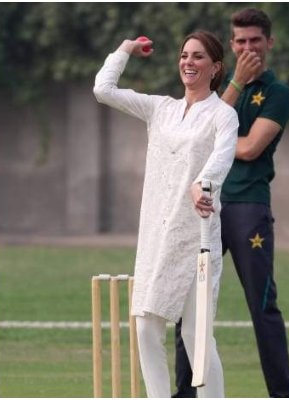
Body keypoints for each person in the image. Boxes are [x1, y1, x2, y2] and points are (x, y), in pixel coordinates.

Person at [94, 31, 239, 397]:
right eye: (184, 55)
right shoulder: (161, 108)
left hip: (197, 235)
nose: (188, 62)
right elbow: (103, 90)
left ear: (215, 68)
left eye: (198, 56)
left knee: (196, 336)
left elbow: (222, 157)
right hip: (157, 235)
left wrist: (203, 184)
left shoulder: (223, 115)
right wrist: (126, 48)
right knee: (145, 326)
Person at [171, 8, 289, 398]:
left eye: (255, 40)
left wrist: (224, 134)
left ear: (269, 42)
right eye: (240, 41)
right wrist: (236, 84)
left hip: (247, 206)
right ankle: (184, 393)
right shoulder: (220, 88)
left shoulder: (277, 93)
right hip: (206, 205)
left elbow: (249, 148)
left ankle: (283, 394)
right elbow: (203, 134)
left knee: (262, 305)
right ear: (231, 44)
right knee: (189, 303)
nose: (247, 48)